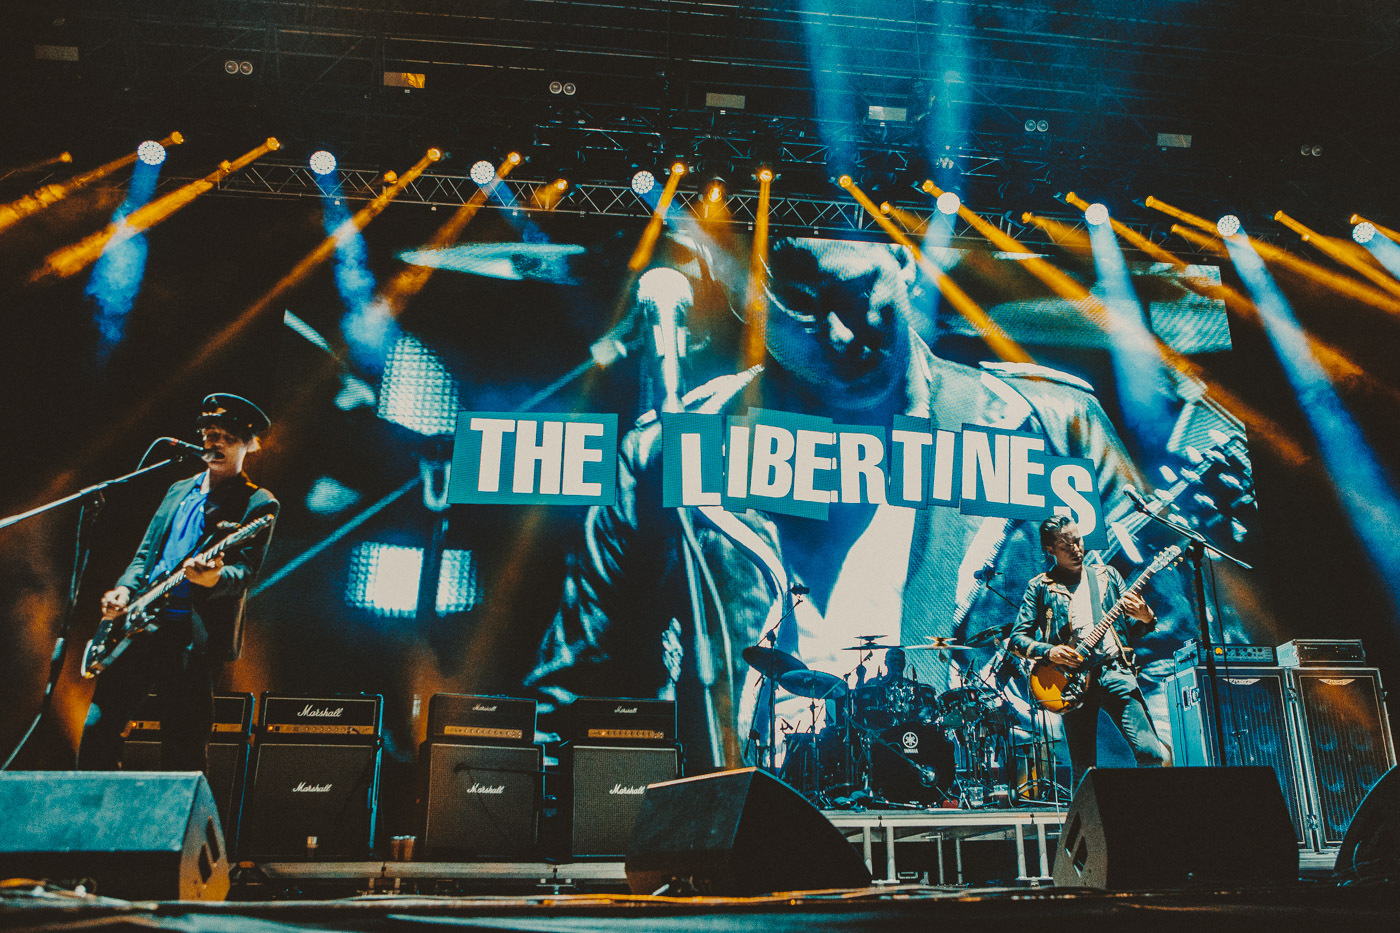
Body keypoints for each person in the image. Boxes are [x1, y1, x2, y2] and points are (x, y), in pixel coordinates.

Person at [526, 236, 1179, 771]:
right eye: (801, 305)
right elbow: (575, 692)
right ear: (744, 297)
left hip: (1006, 833)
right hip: (747, 851)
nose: (839, 334)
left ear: (904, 260)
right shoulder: (669, 451)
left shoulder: (1052, 423)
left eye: (856, 293)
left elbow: (1169, 658)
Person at [77, 394, 278, 772]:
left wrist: (215, 576)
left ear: (247, 444)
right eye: (209, 433)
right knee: (99, 726)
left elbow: (245, 574)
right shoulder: (178, 490)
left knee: (182, 744)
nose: (213, 442)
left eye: (226, 436)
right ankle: (96, 818)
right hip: (140, 624)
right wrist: (123, 589)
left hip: (192, 635)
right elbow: (145, 555)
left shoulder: (258, 503)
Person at [1009, 514, 1171, 789]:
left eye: (1078, 540)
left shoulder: (1107, 575)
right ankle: (1086, 830)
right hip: (1069, 683)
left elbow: (1133, 627)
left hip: (1115, 672)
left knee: (1151, 753)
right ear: (1050, 549)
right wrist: (1050, 653)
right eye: (1066, 545)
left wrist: (1146, 615)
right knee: (1084, 770)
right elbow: (1016, 640)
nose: (1076, 549)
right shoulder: (1040, 586)